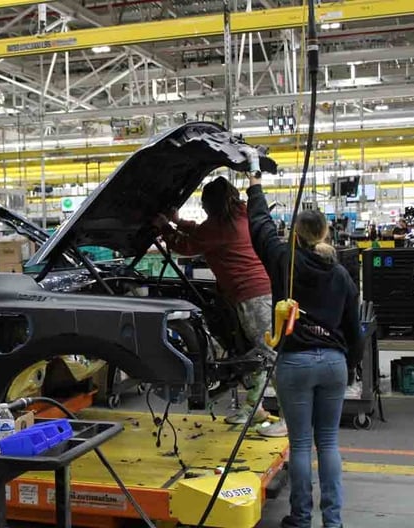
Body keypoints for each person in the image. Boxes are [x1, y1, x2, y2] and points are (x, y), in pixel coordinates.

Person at [246, 173, 362, 528]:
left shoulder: (284, 260)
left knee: (299, 445)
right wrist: (350, 363)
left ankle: (299, 519)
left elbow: (260, 226)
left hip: (294, 364)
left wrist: (255, 186)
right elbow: (353, 326)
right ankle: (333, 521)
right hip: (333, 364)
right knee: (328, 443)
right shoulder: (341, 274)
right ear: (326, 234)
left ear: (295, 233)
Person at [154, 176, 287, 437]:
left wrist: (165, 228)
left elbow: (186, 245)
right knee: (252, 354)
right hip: (253, 294)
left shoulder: (221, 227)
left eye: (204, 204)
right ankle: (254, 408)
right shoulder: (239, 215)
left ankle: (290, 418)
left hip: (253, 296)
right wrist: (178, 222)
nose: (203, 209)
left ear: (211, 204)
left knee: (270, 356)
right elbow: (202, 231)